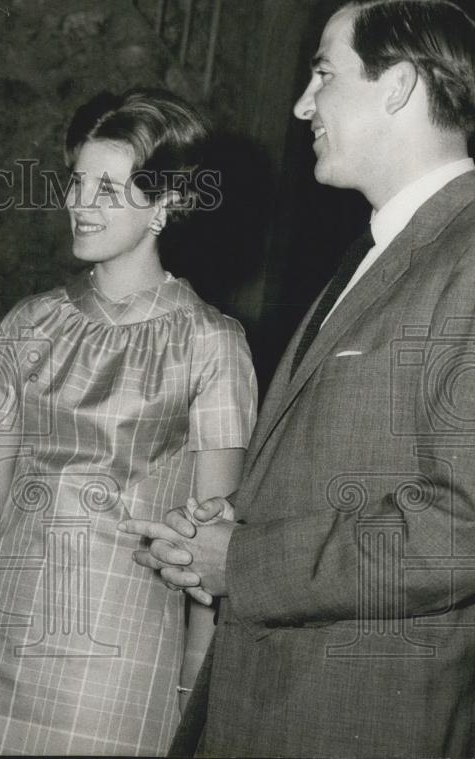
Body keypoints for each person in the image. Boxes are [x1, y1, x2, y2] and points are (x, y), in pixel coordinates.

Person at [122, 1, 475, 756]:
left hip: (361, 715)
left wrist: (244, 561)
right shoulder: (380, 248)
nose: (301, 104)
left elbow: (461, 529)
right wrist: (231, 523)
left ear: (400, 85)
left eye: (323, 73)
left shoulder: (467, 255)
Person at [0, 88, 257, 755]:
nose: (78, 203)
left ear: (166, 203)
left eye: (107, 188)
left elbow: (214, 538)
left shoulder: (212, 342)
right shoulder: (30, 321)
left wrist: (190, 688)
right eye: (75, 181)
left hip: (117, 653)